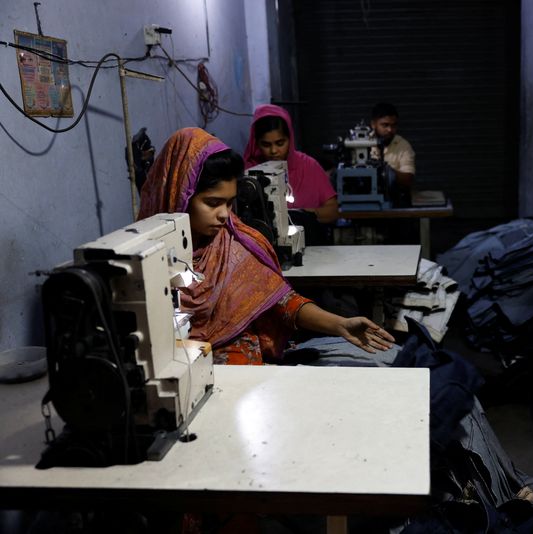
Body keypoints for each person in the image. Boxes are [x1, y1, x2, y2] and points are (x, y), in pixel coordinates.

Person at [139, 127, 394, 365]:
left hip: (238, 368)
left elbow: (281, 301)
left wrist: (339, 324)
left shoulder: (236, 244)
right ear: (180, 194)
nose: (224, 215)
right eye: (213, 202)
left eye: (229, 203)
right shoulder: (142, 256)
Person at [243, 104, 339, 224]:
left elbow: (333, 210)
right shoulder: (248, 172)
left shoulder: (308, 167)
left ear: (290, 139)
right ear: (256, 143)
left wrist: (304, 215)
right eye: (266, 145)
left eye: (280, 143)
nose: (273, 151)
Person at [370, 102, 415, 189]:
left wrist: (386, 172)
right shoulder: (359, 144)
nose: (390, 130)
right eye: (385, 125)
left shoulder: (403, 146)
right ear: (373, 124)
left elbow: (408, 179)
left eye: (393, 125)